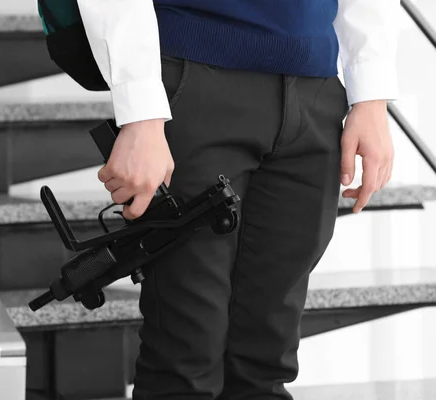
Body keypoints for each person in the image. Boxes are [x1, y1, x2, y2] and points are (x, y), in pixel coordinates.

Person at [77, 0, 399, 398]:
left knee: (267, 358)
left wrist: (371, 94)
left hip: (315, 92)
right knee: (184, 359)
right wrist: (140, 111)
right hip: (193, 78)